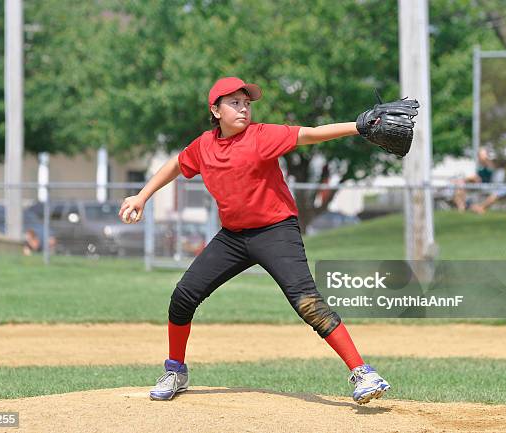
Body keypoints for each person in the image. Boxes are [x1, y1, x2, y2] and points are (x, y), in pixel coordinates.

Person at [119, 77, 391, 405]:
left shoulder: (261, 136)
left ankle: (363, 372)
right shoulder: (204, 145)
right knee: (183, 296)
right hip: (233, 237)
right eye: (234, 103)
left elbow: (310, 134)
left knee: (307, 302)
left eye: (246, 103)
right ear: (215, 110)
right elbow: (177, 164)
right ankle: (175, 370)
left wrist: (359, 127)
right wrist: (143, 196)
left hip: (276, 231)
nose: (243, 108)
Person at [452, 147, 495, 212]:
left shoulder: (488, 165)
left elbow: (479, 178)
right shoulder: (478, 165)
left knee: (464, 182)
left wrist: (467, 179)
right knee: (459, 189)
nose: (480, 156)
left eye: (482, 154)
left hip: (485, 186)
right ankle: (462, 207)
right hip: (475, 185)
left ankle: (475, 207)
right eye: (480, 154)